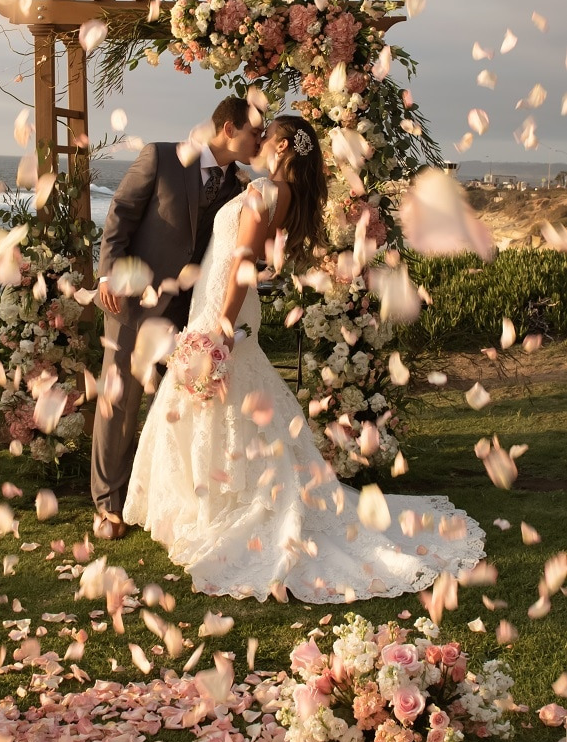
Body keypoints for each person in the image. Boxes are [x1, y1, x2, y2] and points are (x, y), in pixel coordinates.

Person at [123, 116, 485, 603]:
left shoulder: (263, 194)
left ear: (279, 145)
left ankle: (217, 504)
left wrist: (222, 331)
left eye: (263, 133)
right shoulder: (279, 192)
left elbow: (244, 264)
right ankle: (205, 500)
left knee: (217, 397)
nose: (255, 138)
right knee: (224, 398)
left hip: (224, 308)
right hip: (220, 301)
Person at [91, 96, 264, 540]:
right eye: (254, 132)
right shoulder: (161, 157)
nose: (259, 140)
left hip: (190, 313)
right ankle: (108, 505)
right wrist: (108, 274)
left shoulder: (240, 184)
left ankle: (154, 497)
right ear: (228, 128)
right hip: (132, 301)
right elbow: (121, 215)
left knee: (171, 406)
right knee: (120, 399)